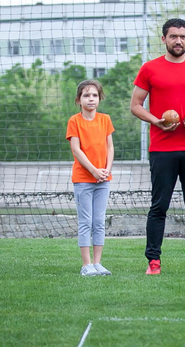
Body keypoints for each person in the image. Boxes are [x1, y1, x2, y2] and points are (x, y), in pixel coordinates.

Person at [130, 18, 185, 275]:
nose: (178, 41)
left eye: (182, 36)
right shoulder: (149, 68)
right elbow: (135, 105)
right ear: (164, 39)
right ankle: (153, 262)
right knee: (159, 207)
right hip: (162, 148)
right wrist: (155, 120)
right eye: (173, 36)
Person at [66, 79, 115, 276]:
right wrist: (94, 170)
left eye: (95, 95)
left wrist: (106, 170)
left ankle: (97, 263)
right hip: (83, 179)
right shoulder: (74, 121)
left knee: (99, 221)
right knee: (86, 221)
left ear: (99, 98)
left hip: (103, 180)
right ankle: (86, 265)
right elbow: (77, 150)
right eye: (86, 95)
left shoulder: (105, 119)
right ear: (79, 100)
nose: (91, 99)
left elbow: (109, 147)